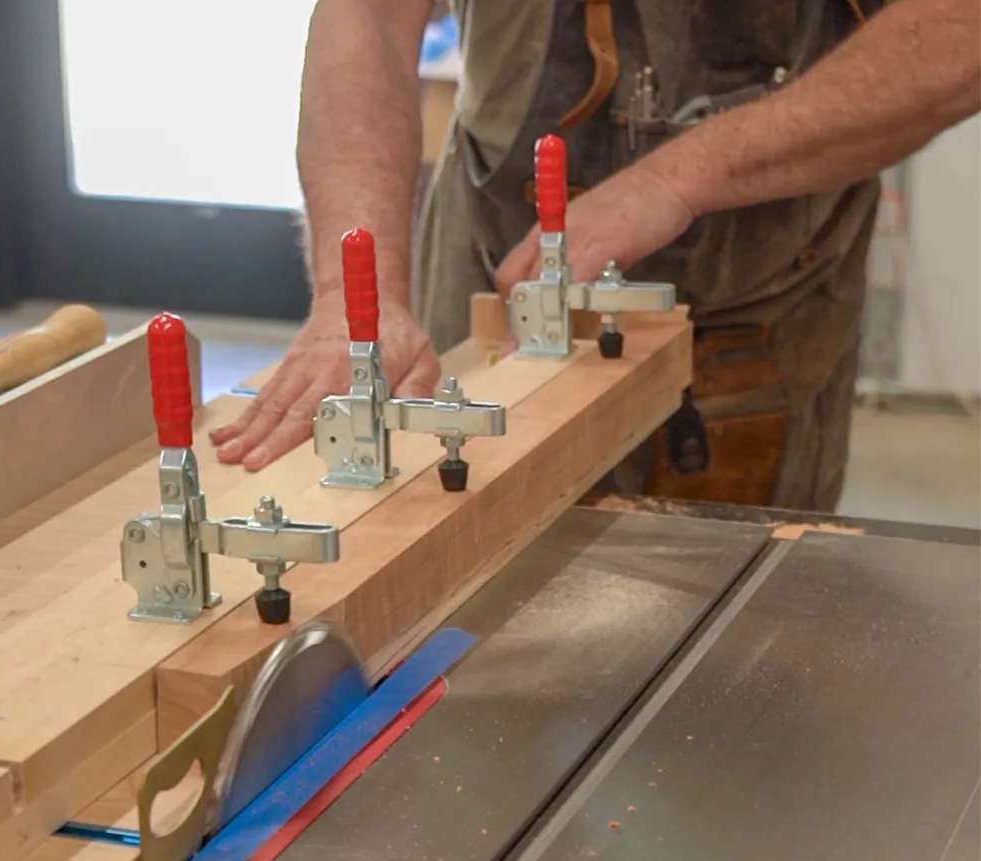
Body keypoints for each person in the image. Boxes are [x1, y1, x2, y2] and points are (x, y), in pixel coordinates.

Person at [210, 0, 981, 511]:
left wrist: (682, 177)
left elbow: (960, 31)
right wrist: (360, 299)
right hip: (489, 259)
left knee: (724, 663)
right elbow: (370, 18)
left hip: (758, 310)